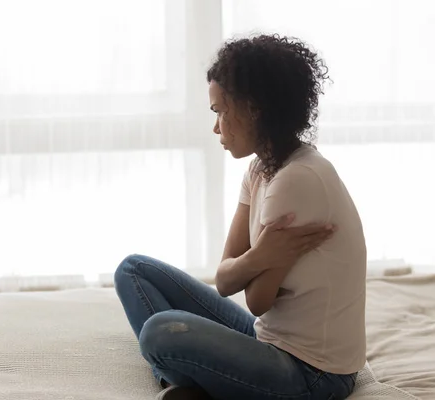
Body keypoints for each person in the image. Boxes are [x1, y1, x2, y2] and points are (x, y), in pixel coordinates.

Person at [114, 34, 367, 400]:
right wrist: (262, 257)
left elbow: (257, 299)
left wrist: (254, 263)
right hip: (270, 338)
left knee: (158, 332)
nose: (216, 127)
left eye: (219, 111)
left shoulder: (297, 179)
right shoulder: (259, 169)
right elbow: (224, 277)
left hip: (313, 375)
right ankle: (181, 384)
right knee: (133, 270)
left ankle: (184, 383)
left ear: (252, 109)